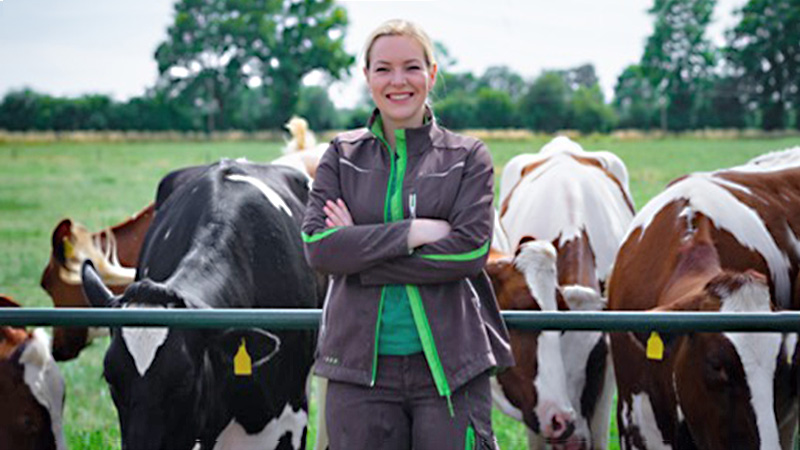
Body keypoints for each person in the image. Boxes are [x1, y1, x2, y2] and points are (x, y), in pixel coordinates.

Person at [301, 19, 513, 450]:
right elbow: (318, 249)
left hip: (451, 369)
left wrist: (360, 254)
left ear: (432, 74)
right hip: (358, 371)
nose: (398, 81)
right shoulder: (341, 155)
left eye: (411, 67)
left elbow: (468, 253)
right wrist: (413, 232)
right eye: (383, 69)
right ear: (367, 77)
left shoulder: (467, 156)